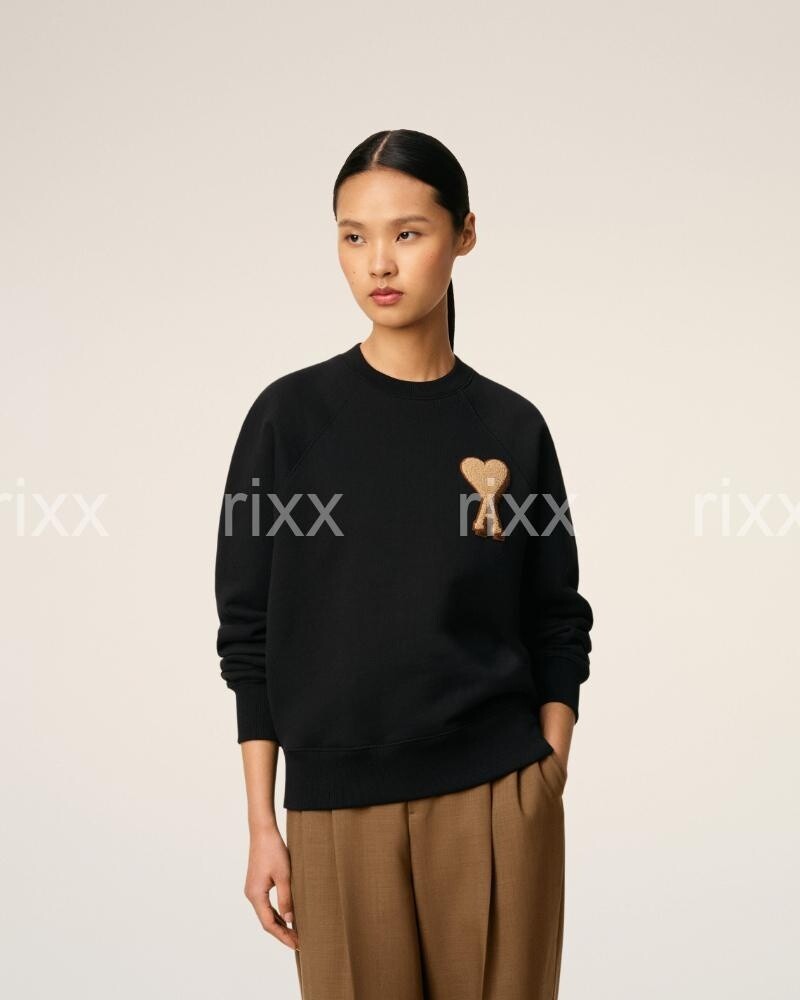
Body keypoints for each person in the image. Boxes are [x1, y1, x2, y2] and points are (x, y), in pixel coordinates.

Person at [214, 128, 594, 999]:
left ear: (465, 234)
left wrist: (546, 774)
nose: (378, 263)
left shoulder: (512, 430)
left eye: (408, 233)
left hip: (497, 797)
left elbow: (556, 616)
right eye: (354, 236)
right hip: (333, 808)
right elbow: (248, 629)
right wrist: (262, 822)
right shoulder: (288, 420)